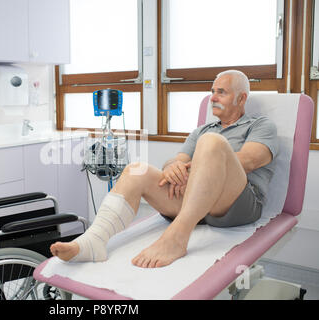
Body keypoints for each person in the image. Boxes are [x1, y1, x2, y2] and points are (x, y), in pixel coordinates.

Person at [50, 70, 278, 269]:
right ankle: (94, 241)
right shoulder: (202, 130)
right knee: (135, 169)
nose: (213, 98)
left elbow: (249, 160)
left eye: (221, 92)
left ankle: (177, 238)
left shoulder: (260, 125)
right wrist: (174, 168)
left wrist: (200, 164)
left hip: (238, 204)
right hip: (198, 202)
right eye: (212, 91)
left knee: (211, 144)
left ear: (241, 98)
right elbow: (174, 161)